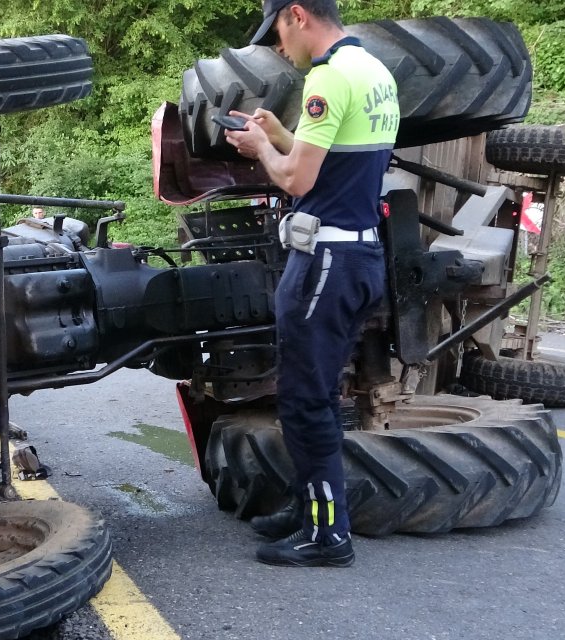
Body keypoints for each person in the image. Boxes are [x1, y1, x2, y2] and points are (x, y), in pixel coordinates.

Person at [224, 0, 399, 568]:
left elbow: (297, 178)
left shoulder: (327, 77)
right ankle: (312, 511)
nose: (280, 46)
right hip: (361, 256)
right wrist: (279, 131)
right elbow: (339, 159)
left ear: (297, 14)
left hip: (323, 260)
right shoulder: (375, 71)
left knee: (304, 401)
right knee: (319, 394)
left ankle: (327, 536)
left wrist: (260, 150)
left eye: (277, 29)